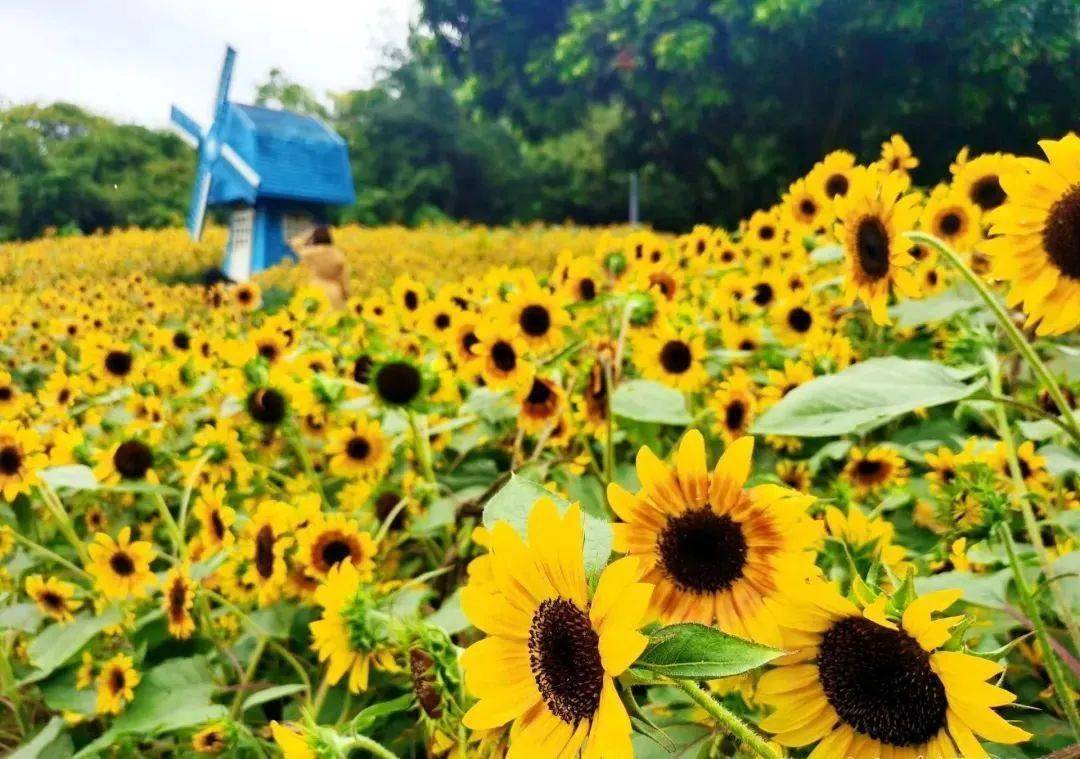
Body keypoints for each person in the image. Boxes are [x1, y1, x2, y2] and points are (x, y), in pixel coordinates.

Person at [291, 225, 349, 309]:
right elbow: (344, 278)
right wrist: (346, 295)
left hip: (315, 290)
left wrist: (309, 234)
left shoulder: (311, 253)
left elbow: (295, 243)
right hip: (334, 292)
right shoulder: (338, 255)